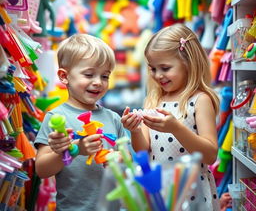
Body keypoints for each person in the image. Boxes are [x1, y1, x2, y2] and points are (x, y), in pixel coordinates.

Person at [122, 23, 221, 210]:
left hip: (193, 193)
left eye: (165, 68)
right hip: (159, 191)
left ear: (188, 63)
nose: (158, 75)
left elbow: (209, 155)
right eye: (152, 69)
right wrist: (134, 131)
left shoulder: (200, 100)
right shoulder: (153, 99)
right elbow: (143, 149)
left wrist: (176, 128)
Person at [34, 34, 128, 211]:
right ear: (64, 76)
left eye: (105, 76)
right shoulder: (56, 117)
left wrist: (119, 160)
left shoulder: (113, 118)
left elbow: (129, 163)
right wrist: (76, 149)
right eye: (89, 74)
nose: (98, 82)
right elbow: (42, 169)